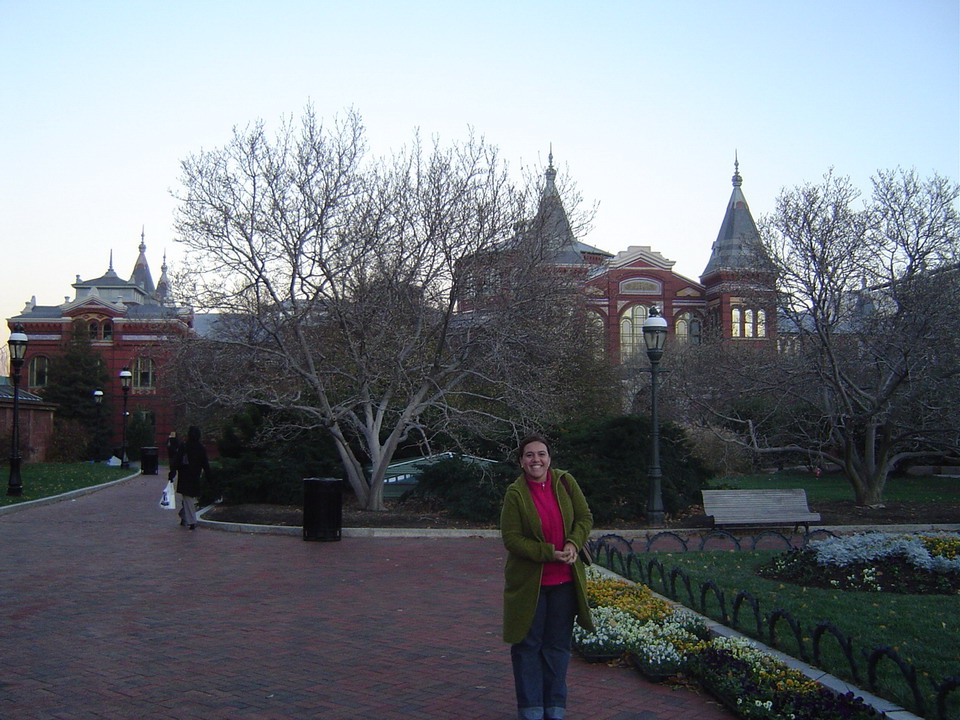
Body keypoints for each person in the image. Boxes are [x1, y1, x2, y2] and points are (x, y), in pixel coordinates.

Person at [500, 433, 594, 720]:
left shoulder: (565, 483)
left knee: (557, 647)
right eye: (529, 455)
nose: (536, 460)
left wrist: (572, 544)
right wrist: (547, 553)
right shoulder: (516, 494)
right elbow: (512, 539)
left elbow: (584, 518)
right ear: (521, 462)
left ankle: (554, 708)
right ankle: (530, 709)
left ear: (549, 458)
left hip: (564, 583)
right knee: (528, 646)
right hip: (531, 585)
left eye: (541, 454)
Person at [172, 426, 210, 530]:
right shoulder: (201, 448)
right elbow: (205, 464)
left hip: (185, 475)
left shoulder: (184, 446)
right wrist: (209, 477)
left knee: (187, 497)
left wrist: (173, 472)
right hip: (195, 475)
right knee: (189, 497)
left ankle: (190, 519)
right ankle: (188, 518)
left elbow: (177, 460)